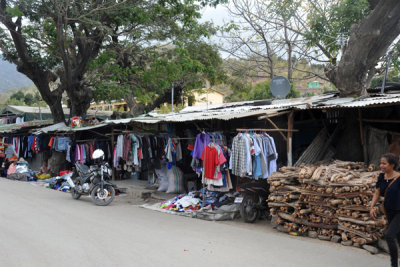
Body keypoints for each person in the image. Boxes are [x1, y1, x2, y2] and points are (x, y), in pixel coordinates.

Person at [370, 153, 400, 267]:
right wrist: (372, 207)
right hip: (389, 212)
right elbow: (377, 192)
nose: (381, 165)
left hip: (399, 212)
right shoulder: (381, 177)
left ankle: (394, 265)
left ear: (392, 165)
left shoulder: (399, 178)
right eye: (380, 163)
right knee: (398, 238)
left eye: (384, 163)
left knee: (389, 235)